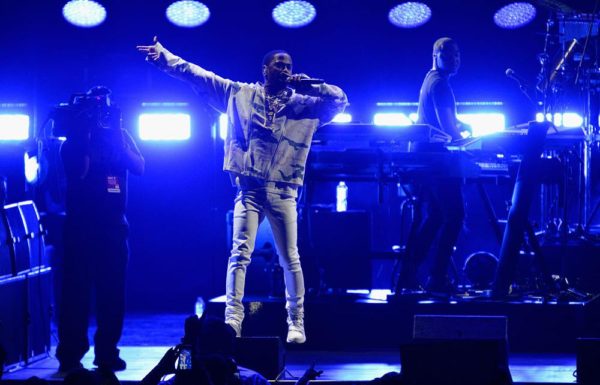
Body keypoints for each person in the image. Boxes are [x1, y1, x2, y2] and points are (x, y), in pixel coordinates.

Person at [137, 37, 347, 343]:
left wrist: (313, 86)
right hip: (249, 189)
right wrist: (164, 57)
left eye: (289, 65)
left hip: (284, 190)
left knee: (290, 256)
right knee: (240, 254)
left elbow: (340, 101)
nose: (285, 68)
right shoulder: (240, 94)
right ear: (265, 69)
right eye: (279, 63)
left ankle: (296, 322)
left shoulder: (304, 105)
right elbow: (197, 75)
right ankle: (233, 318)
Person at [56, 86, 145, 373]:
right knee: (75, 294)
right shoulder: (73, 140)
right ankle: (70, 354)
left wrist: (116, 132)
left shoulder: (120, 135)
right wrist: (84, 132)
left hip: (113, 226)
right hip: (80, 226)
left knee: (112, 294)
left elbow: (140, 166)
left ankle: (107, 353)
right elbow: (79, 171)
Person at [396, 37, 470, 294]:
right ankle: (436, 277)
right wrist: (468, 142)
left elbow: (444, 119)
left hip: (426, 161)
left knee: (436, 216)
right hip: (437, 162)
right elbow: (447, 127)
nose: (455, 59)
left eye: (458, 55)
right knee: (455, 215)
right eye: (449, 54)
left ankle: (408, 273)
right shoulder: (440, 84)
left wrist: (461, 125)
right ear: (435, 54)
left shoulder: (432, 80)